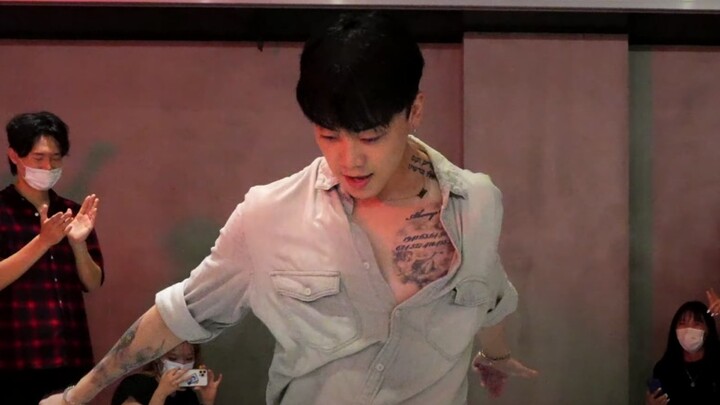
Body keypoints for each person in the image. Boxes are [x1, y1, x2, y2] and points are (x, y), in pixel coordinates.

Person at [41, 11, 537, 405]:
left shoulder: (478, 202)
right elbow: (178, 314)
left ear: (415, 112)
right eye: (328, 135)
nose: (350, 159)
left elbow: (488, 294)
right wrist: (75, 396)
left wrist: (496, 356)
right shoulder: (268, 215)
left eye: (370, 136)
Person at [0, 111, 103, 405]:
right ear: (14, 156)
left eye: (56, 158)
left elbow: (93, 282)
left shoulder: (72, 211)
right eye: (38, 158)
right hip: (16, 358)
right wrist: (43, 241)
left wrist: (78, 244)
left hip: (71, 353)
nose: (48, 166)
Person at [646, 300, 720, 405]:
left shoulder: (717, 363)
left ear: (708, 329)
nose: (688, 329)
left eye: (697, 323)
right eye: (682, 323)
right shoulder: (664, 368)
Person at [111, 341, 222, 405]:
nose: (182, 365)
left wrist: (208, 401)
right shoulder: (134, 385)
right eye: (173, 358)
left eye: (189, 359)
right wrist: (161, 394)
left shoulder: (187, 394)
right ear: (157, 358)